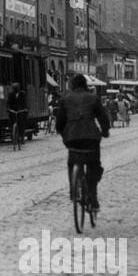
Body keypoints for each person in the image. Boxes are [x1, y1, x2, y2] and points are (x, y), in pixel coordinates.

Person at [54, 74, 111, 211]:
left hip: (72, 140)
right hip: (91, 139)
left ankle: (73, 191)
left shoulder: (65, 99)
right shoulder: (93, 98)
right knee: (94, 166)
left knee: (72, 162)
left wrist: (64, 135)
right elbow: (103, 116)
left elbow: (60, 122)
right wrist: (105, 131)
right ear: (85, 85)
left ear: (73, 86)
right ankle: (92, 196)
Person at [7, 82, 28, 148]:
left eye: (16, 88)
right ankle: (13, 136)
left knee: (21, 123)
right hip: (13, 111)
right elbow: (8, 102)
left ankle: (22, 136)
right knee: (11, 122)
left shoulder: (22, 94)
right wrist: (8, 108)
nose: (15, 89)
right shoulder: (11, 95)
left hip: (21, 111)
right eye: (14, 88)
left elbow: (25, 102)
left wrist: (25, 109)